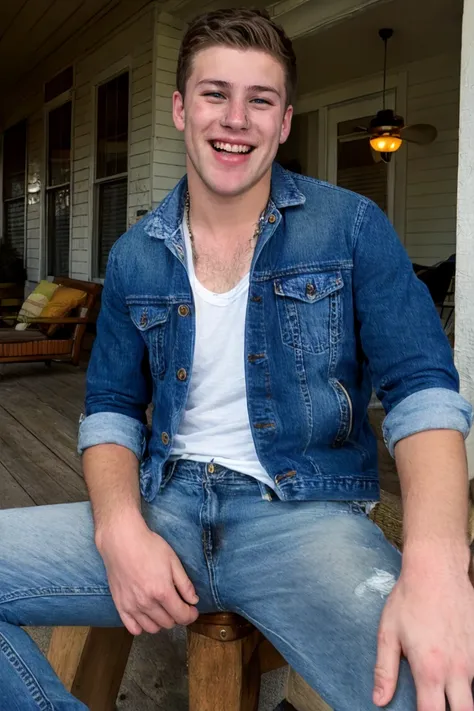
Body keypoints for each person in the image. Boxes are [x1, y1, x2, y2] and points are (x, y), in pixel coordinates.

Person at [1, 8, 474, 711]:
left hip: (306, 521)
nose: (236, 118)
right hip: (165, 504)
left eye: (261, 99)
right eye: (215, 93)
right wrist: (120, 527)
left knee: (438, 682)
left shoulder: (350, 226)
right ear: (181, 108)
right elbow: (110, 409)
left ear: (284, 122)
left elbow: (423, 392)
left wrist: (437, 560)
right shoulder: (136, 254)